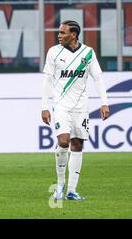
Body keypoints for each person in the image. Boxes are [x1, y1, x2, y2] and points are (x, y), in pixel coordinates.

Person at [41, 20, 110, 201]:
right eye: (59, 32)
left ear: (73, 34)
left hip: (81, 107)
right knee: (63, 141)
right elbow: (47, 80)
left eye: (63, 33)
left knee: (77, 144)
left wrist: (104, 102)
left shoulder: (88, 53)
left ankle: (72, 190)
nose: (59, 36)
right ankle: (60, 183)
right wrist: (44, 106)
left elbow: (98, 78)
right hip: (61, 106)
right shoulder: (54, 52)